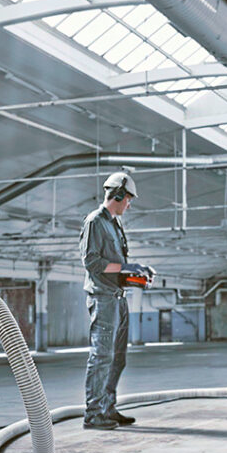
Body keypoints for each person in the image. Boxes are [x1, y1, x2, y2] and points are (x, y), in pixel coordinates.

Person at [79, 171, 154, 430]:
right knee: (102, 356)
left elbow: (118, 264)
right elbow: (91, 262)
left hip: (118, 299)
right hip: (103, 299)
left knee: (118, 357)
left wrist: (135, 270)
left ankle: (107, 408)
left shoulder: (114, 223)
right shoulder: (95, 222)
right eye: (128, 199)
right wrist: (126, 266)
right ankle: (93, 414)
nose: (129, 205)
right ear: (118, 195)